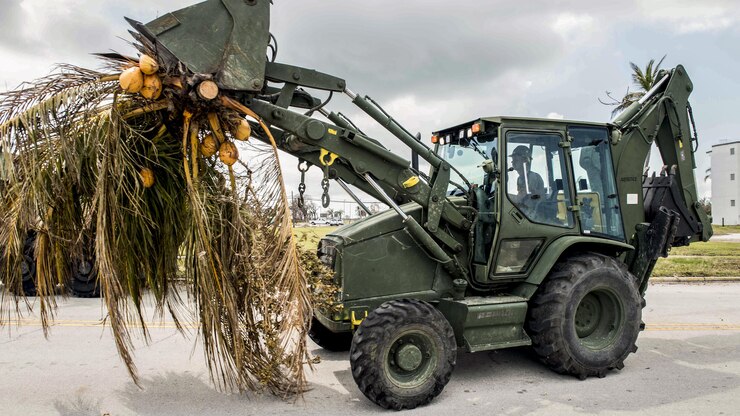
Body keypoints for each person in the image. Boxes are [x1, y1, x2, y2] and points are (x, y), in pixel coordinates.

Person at [509, 145, 545, 217]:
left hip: (532, 215)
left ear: (525, 160)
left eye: (516, 160)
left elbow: (520, 198)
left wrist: (504, 195)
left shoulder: (532, 177)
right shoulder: (520, 178)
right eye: (512, 160)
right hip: (525, 212)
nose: (512, 163)